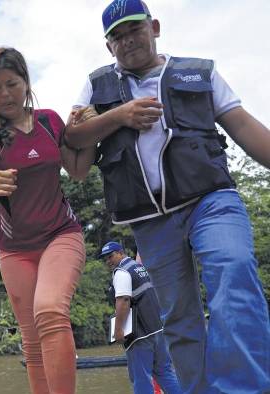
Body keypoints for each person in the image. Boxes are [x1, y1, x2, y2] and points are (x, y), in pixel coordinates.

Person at [65, 1, 270, 392]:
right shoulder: (96, 84)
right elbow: (74, 140)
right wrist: (120, 116)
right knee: (179, 317)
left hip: (211, 200)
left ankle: (244, 387)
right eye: (117, 37)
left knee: (234, 270)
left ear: (154, 27)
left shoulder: (199, 71)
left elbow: (244, 126)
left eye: (134, 30)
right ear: (108, 46)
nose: (127, 42)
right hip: (149, 219)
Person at [0, 47, 95, 394]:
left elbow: (77, 171)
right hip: (14, 249)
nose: (4, 95)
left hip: (61, 234)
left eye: (11, 84)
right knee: (30, 338)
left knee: (50, 310)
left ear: (26, 82)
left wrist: (90, 135)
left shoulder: (49, 122)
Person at [100, 241, 181, 394]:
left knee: (141, 377)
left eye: (110, 256)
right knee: (165, 373)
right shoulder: (140, 267)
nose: (108, 261)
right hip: (158, 329)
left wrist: (118, 330)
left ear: (121, 253)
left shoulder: (122, 272)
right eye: (106, 258)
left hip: (140, 335)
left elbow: (123, 300)